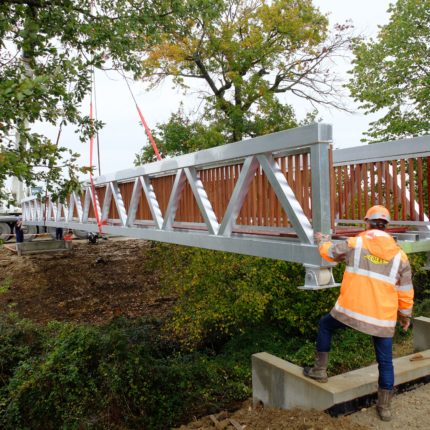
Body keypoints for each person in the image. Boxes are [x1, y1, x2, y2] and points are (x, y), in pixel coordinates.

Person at [304, 205, 414, 422]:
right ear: (386, 226)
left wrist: (322, 240)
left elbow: (329, 253)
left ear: (367, 222)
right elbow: (405, 290)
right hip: (381, 318)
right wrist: (405, 316)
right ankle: (384, 408)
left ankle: (320, 370)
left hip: (351, 311)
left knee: (325, 325)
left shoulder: (356, 243)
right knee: (385, 361)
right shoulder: (400, 256)